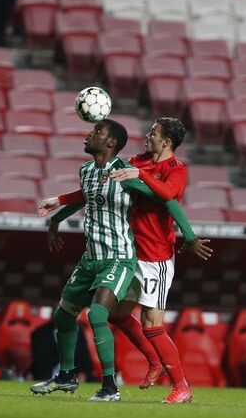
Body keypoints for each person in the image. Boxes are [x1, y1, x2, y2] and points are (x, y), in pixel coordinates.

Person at [29, 119, 206, 402]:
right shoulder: (136, 161)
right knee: (116, 314)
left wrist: (190, 236)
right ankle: (153, 362)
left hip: (154, 256)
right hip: (128, 252)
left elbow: (168, 196)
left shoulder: (174, 170)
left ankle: (181, 385)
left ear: (167, 142)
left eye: (154, 133)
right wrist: (60, 203)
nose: (147, 136)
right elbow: (94, 191)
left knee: (151, 324)